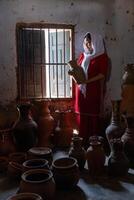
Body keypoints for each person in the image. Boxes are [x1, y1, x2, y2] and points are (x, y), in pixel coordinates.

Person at [71, 32, 109, 147]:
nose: (87, 46)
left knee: (93, 115)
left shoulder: (102, 57)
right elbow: (77, 70)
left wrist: (86, 81)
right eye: (85, 43)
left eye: (89, 43)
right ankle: (81, 144)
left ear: (96, 43)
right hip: (81, 91)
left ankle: (94, 145)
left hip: (93, 90)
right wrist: (72, 75)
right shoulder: (83, 56)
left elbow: (102, 74)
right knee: (82, 116)